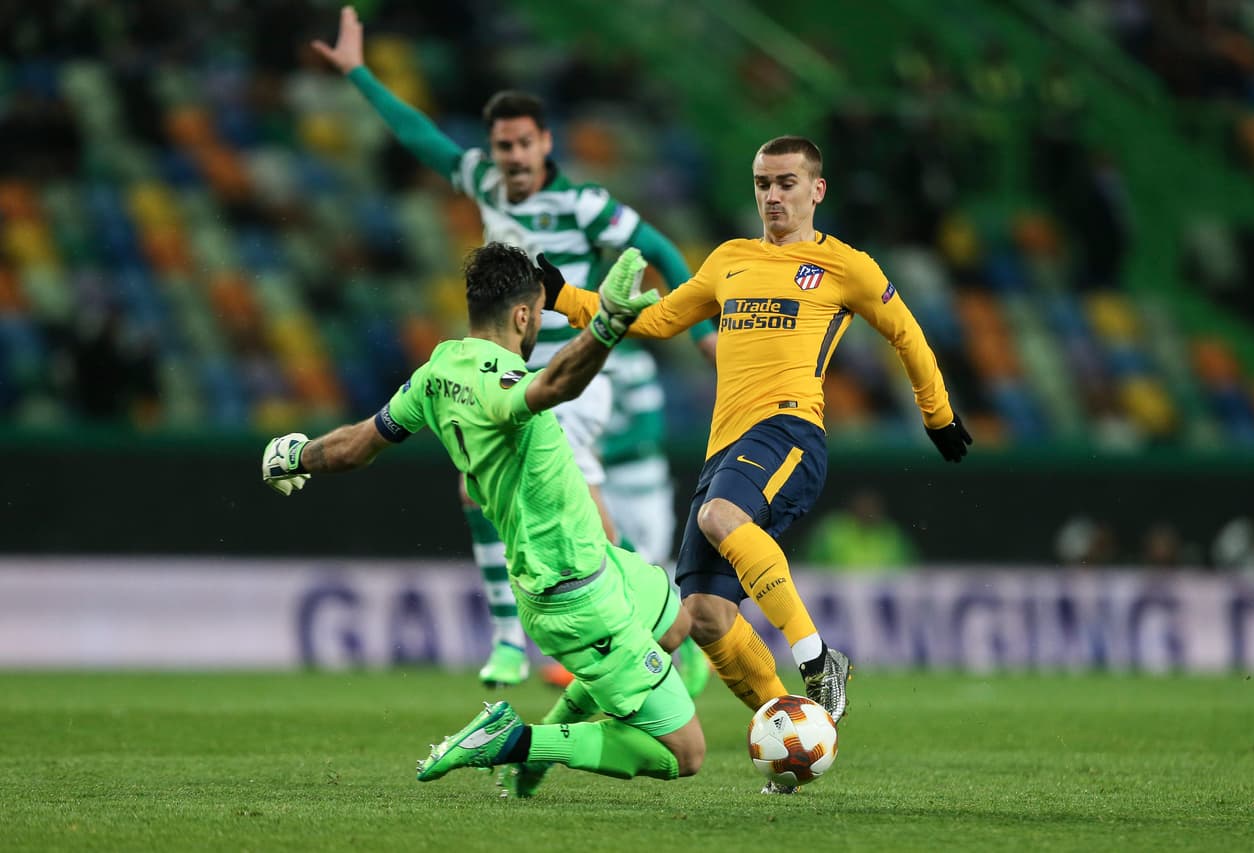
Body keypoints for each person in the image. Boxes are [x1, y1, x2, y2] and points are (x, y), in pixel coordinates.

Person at [546, 135, 972, 791]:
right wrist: (562, 296)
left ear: (816, 190)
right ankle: (796, 737)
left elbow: (906, 333)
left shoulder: (846, 266)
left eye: (786, 183)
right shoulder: (729, 260)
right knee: (705, 614)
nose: (772, 196)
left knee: (720, 515)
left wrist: (936, 413)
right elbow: (657, 320)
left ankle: (819, 660)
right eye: (762, 184)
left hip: (789, 431)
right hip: (727, 448)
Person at [312, 6, 716, 688]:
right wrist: (358, 72)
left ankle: (653, 636)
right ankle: (530, 639)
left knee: (572, 516)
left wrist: (702, 333)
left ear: (545, 143)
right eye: (504, 146)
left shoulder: (584, 204)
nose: (515, 157)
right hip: (509, 377)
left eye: (525, 144)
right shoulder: (482, 181)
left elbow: (665, 251)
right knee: (485, 491)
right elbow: (419, 135)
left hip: (573, 379)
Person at [261, 244, 704, 796]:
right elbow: (554, 385)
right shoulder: (500, 380)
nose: (539, 323)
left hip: (594, 560)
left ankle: (536, 753)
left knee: (674, 626)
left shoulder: (437, 371)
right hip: (575, 591)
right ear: (521, 315)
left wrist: (296, 455)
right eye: (538, 313)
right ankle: (517, 742)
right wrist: (607, 324)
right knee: (685, 754)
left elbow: (356, 446)